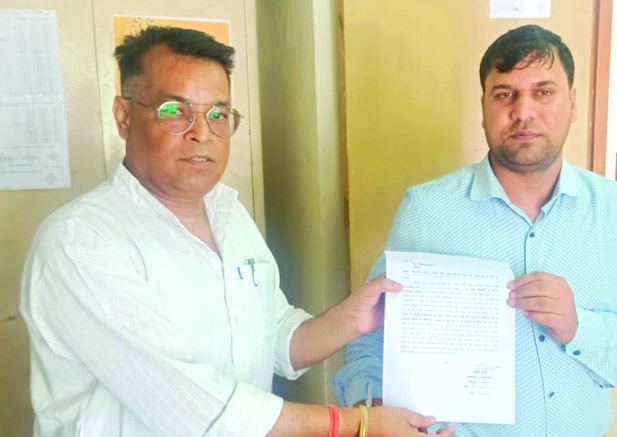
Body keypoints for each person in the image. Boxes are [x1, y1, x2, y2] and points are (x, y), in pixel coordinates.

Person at [20, 26, 455, 437]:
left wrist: (353, 320)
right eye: (174, 112)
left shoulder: (229, 214)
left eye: (218, 114)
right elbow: (192, 406)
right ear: (124, 117)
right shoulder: (81, 242)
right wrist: (358, 423)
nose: (202, 133)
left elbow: (276, 340)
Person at [333, 24, 617, 436]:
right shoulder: (427, 209)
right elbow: (373, 338)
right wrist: (372, 407)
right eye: (505, 94)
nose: (523, 112)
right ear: (483, 106)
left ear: (573, 103)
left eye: (543, 92)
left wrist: (579, 327)